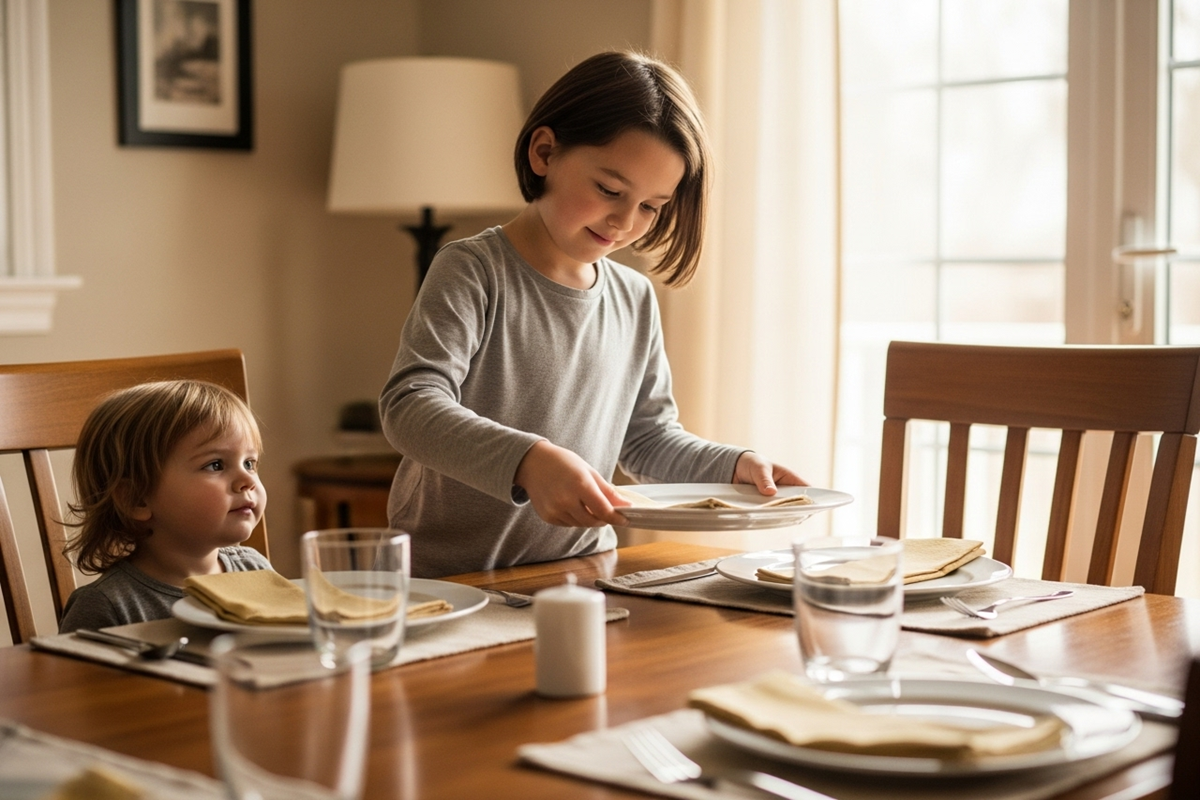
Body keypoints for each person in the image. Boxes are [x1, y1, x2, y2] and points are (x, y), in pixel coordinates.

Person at [379, 51, 804, 578]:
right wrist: (528, 461)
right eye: (609, 190)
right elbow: (410, 407)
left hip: (583, 570)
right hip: (450, 578)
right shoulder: (472, 270)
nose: (626, 221)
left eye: (652, 206)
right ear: (544, 152)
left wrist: (731, 465)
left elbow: (647, 438)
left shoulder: (634, 297)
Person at [58, 379, 271, 633]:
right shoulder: (108, 605)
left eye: (249, 463)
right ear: (136, 499)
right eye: (215, 465)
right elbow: (71, 674)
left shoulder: (254, 569)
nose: (248, 481)